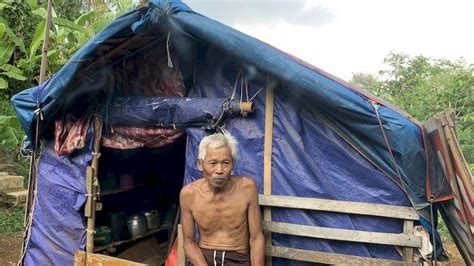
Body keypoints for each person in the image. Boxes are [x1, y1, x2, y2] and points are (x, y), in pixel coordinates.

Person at [180, 132, 265, 266]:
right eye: (212, 163)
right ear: (200, 164)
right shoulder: (189, 194)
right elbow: (189, 242)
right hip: (203, 258)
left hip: (237, 259)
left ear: (233, 164)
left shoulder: (247, 188)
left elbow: (256, 238)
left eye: (226, 163)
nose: (219, 170)